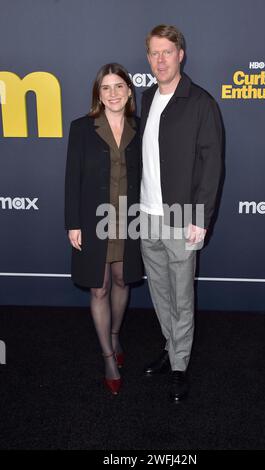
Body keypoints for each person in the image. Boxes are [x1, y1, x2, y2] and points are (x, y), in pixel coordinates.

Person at [140, 25, 223, 402]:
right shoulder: (146, 98)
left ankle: (180, 365)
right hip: (146, 215)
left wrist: (200, 220)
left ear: (181, 54)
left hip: (183, 217)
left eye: (167, 52)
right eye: (154, 53)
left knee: (182, 295)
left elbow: (211, 167)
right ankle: (171, 347)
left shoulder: (200, 102)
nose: (160, 60)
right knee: (159, 293)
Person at [65, 63, 142, 395]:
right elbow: (72, 178)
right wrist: (73, 223)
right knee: (99, 287)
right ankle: (109, 357)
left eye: (119, 87)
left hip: (130, 217)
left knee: (123, 279)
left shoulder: (141, 127)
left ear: (129, 91)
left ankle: (114, 333)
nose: (113, 94)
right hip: (94, 218)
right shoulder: (82, 128)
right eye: (106, 88)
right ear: (99, 93)